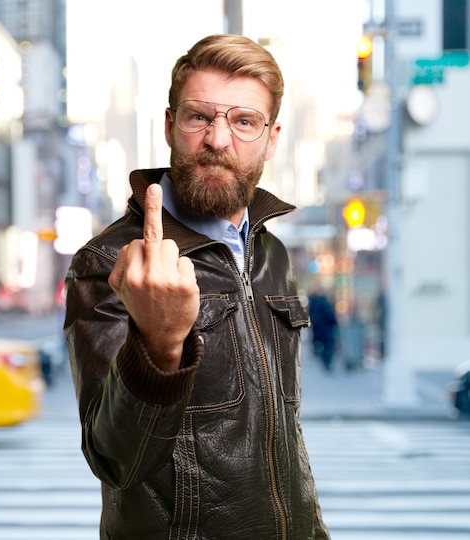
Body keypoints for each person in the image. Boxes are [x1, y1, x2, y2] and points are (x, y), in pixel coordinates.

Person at [64, 34, 330, 539]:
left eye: (244, 121)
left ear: (272, 139)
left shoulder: (270, 253)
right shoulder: (109, 263)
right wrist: (160, 347)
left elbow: (285, 437)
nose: (218, 139)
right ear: (170, 126)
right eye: (199, 117)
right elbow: (115, 461)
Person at [308, 288, 338, 371]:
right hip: (326, 330)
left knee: (320, 343)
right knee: (328, 345)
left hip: (318, 329)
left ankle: (321, 356)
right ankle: (327, 362)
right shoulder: (326, 304)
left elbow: (311, 316)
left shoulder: (314, 304)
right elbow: (331, 317)